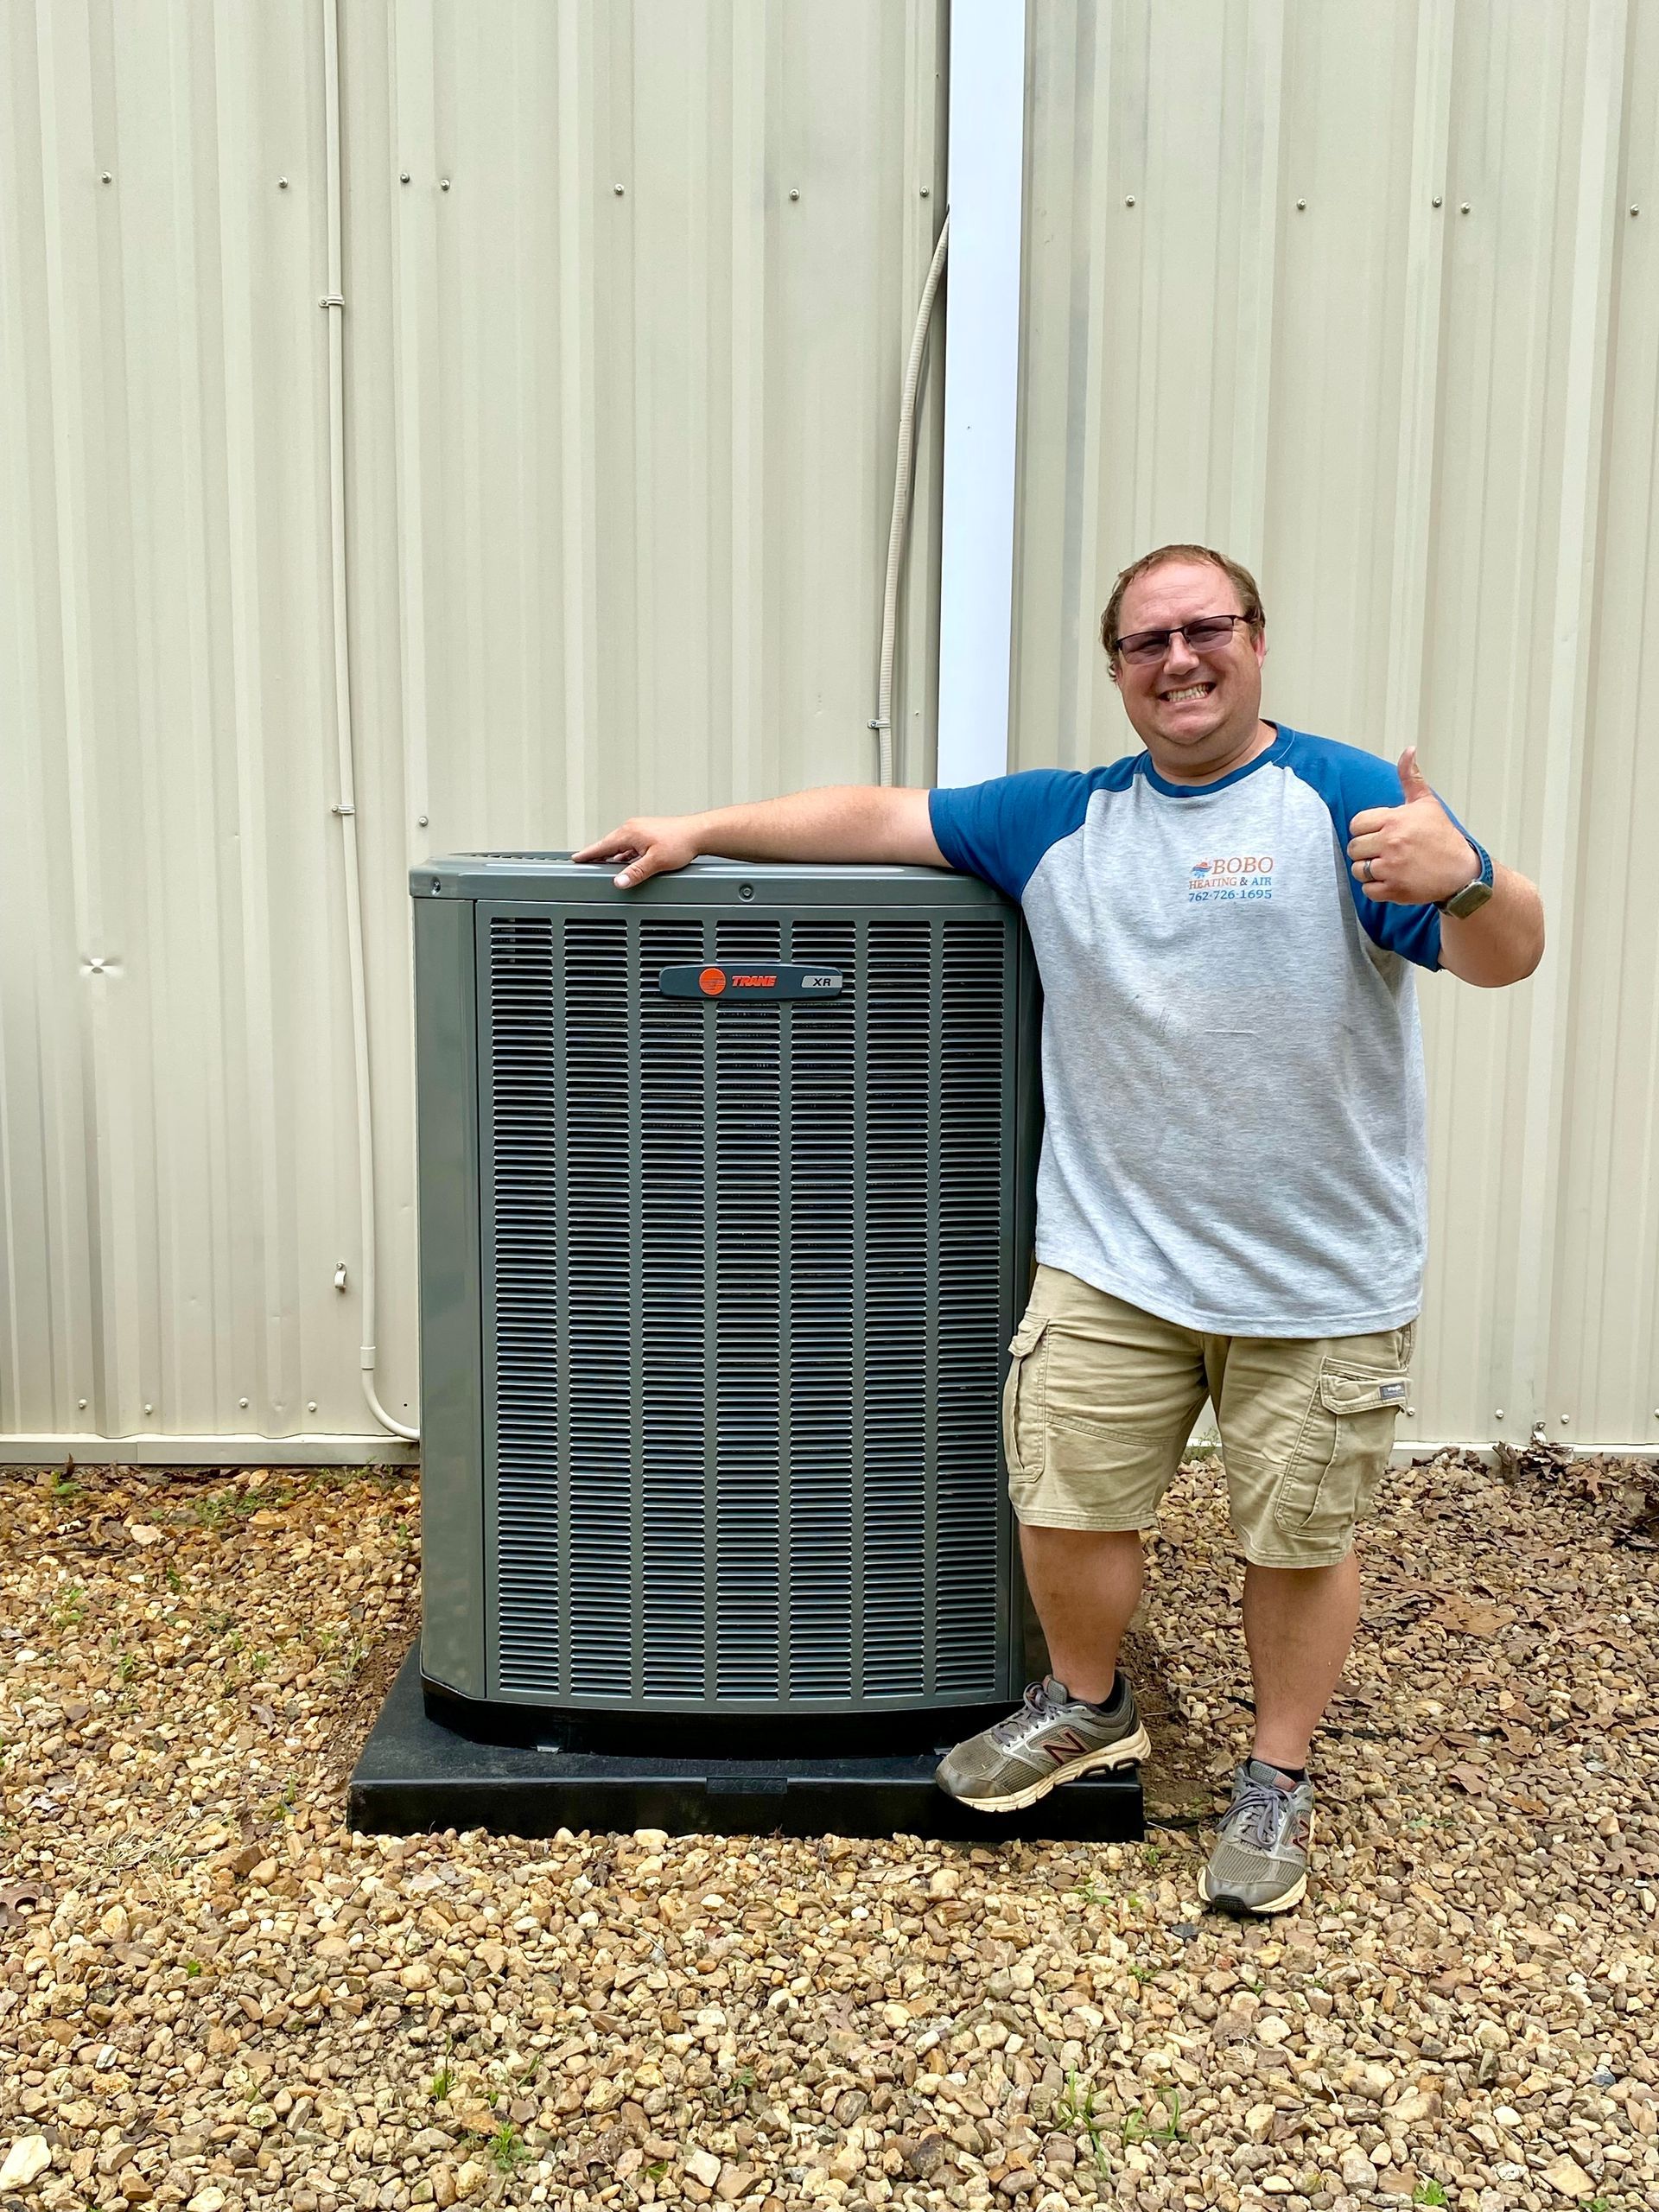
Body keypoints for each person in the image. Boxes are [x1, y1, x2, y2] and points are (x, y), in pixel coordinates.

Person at [575, 543, 1545, 1916]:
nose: (1179, 660)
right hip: (1113, 1259)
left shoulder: (1345, 805)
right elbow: (879, 816)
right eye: (1148, 642)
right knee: (1067, 1503)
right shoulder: (1058, 820)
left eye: (1205, 629)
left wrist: (1468, 877)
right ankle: (1089, 1704)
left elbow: (1512, 954)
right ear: (1119, 671)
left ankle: (1276, 1776)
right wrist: (701, 829)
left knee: (1296, 1539)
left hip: (1319, 1273)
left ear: (1257, 640)